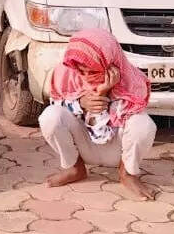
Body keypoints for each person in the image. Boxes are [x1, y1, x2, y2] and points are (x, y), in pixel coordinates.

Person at [38, 29, 157, 201]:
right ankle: (74, 168)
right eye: (81, 70)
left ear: (109, 63)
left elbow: (103, 135)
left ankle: (127, 173)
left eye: (92, 71)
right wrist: (80, 104)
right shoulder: (66, 74)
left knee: (144, 125)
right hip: (83, 145)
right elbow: (57, 105)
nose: (85, 76)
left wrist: (103, 93)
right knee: (50, 116)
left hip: (118, 148)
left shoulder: (132, 81)